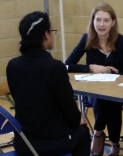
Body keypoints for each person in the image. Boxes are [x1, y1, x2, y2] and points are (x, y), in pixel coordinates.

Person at [6, 11, 91, 156]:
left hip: (23, 142)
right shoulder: (54, 67)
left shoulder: (12, 65)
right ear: (46, 35)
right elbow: (68, 106)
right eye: (52, 31)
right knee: (83, 132)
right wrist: (78, 119)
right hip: (51, 142)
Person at [65, 3, 123, 156]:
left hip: (117, 90)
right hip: (93, 91)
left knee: (111, 100)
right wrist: (92, 69)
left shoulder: (122, 41)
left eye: (106, 20)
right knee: (103, 100)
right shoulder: (87, 39)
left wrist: (109, 72)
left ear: (113, 22)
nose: (101, 24)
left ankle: (98, 133)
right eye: (98, 20)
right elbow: (67, 65)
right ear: (92, 21)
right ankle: (113, 142)